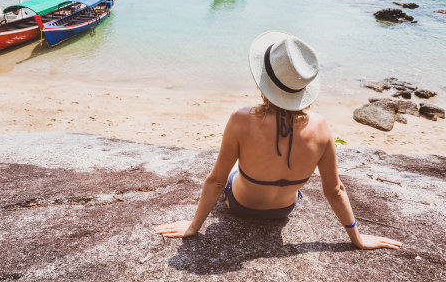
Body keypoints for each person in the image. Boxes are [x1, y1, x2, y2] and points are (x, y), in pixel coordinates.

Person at [155, 31, 402, 250]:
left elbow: (216, 180)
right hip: (284, 210)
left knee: (232, 178)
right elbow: (334, 190)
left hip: (240, 205)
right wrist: (357, 238)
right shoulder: (321, 126)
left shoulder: (241, 119)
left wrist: (193, 226)